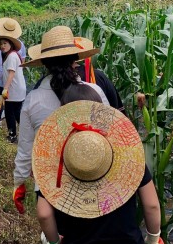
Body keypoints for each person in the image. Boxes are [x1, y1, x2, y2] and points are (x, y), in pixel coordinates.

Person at [33, 93, 164, 244]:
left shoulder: (56, 165)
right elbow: (152, 205)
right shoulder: (129, 158)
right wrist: (153, 240)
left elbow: (43, 213)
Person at [12, 26, 109, 215]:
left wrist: (19, 182)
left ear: (44, 64)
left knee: (57, 237)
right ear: (75, 60)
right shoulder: (94, 91)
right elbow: (111, 133)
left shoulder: (33, 100)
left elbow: (25, 149)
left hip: (52, 186)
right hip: (93, 174)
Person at [32, 36, 124, 113]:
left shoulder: (34, 96)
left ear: (45, 63)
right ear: (75, 56)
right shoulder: (97, 81)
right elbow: (116, 117)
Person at [0, 25, 26, 143]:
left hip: (13, 89)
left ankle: (13, 135)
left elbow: (11, 74)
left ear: (11, 44)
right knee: (15, 112)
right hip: (16, 88)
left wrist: (4, 91)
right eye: (1, 44)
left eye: (5, 43)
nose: (2, 46)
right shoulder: (12, 55)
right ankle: (24, 133)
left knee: (11, 113)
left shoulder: (11, 56)